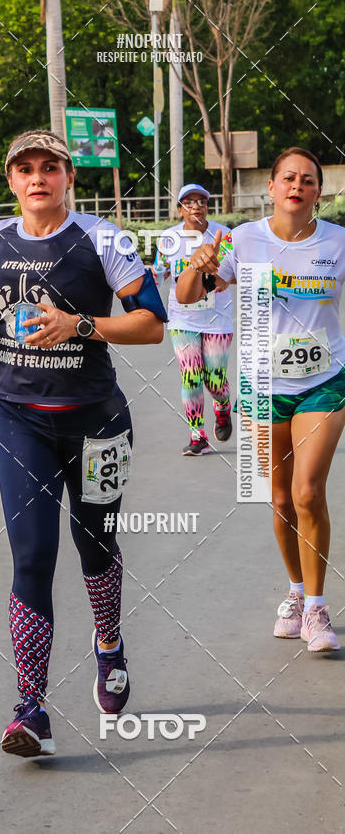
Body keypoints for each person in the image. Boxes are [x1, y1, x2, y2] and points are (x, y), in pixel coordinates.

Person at [0, 129, 165, 757]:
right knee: (31, 556)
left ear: (69, 177)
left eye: (50, 166)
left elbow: (153, 324)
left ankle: (109, 643)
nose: (37, 177)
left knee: (94, 542)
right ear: (12, 180)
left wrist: (80, 324)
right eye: (24, 168)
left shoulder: (106, 240)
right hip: (20, 419)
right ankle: (31, 710)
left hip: (98, 422)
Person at [176, 147, 345, 652]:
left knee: (307, 491)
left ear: (319, 191)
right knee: (277, 497)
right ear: (270, 188)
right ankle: (295, 591)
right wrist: (198, 263)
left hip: (325, 380)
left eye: (308, 180)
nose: (297, 185)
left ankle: (316, 607)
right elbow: (187, 294)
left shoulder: (338, 242)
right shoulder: (242, 240)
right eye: (288, 178)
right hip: (260, 384)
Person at [154, 184, 234, 455]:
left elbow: (238, 271)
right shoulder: (168, 238)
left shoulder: (224, 236)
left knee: (215, 379)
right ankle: (197, 434)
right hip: (181, 319)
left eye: (202, 201)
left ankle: (223, 406)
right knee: (191, 377)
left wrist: (225, 280)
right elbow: (159, 272)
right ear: (179, 209)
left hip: (217, 319)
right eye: (189, 202)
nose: (197, 205)